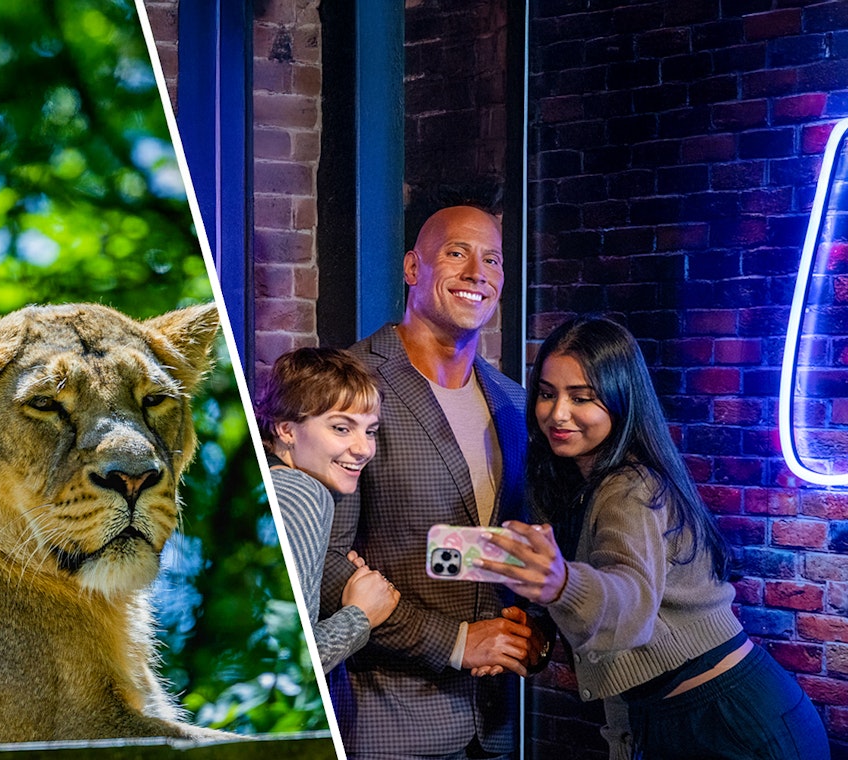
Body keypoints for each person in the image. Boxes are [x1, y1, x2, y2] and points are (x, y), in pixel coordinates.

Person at [477, 314, 830, 760]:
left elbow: (630, 603)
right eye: (547, 394)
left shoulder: (628, 487)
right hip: (684, 717)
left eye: (581, 397)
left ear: (621, 400)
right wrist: (538, 633)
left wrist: (562, 584)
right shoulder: (575, 483)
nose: (557, 413)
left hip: (732, 723)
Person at [321, 204, 543, 760]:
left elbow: (493, 549)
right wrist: (458, 643)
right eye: (456, 253)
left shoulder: (513, 403)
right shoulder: (350, 385)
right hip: (390, 724)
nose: (477, 272)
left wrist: (531, 627)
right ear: (412, 268)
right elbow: (324, 568)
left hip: (494, 728)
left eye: (491, 259)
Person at [257, 347, 401, 673]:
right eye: (341, 428)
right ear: (287, 429)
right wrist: (361, 614)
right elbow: (298, 659)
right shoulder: (302, 492)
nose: (363, 448)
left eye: (370, 431)